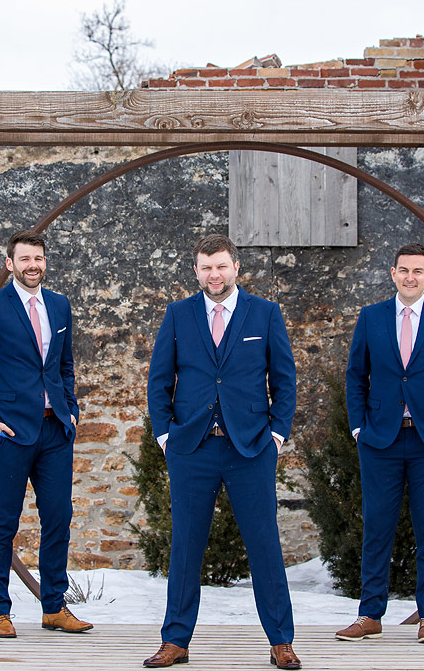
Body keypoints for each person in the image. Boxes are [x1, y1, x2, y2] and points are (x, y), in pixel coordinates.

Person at [143, 234, 301, 670]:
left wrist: (276, 435)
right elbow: (159, 379)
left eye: (221, 266)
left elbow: (284, 380)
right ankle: (175, 641)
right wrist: (165, 436)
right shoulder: (178, 315)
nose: (214, 275)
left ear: (236, 267)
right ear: (196, 271)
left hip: (250, 447)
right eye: (206, 267)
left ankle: (281, 641)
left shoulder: (266, 313)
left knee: (265, 545)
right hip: (191, 448)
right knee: (186, 547)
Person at [336, 243, 424, 645]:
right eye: (403, 270)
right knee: (377, 526)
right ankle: (369, 613)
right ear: (392, 274)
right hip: (380, 439)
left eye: (418, 271)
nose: (410, 277)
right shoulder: (371, 317)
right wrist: (359, 427)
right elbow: (355, 375)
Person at [0, 230, 92, 639]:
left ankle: (54, 607)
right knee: (3, 521)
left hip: (54, 431)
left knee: (59, 517)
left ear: (44, 262)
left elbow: (64, 365)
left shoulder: (59, 305)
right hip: (11, 432)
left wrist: (69, 409)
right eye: (24, 259)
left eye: (38, 258)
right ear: (10, 264)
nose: (32, 265)